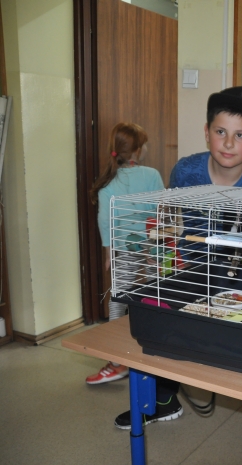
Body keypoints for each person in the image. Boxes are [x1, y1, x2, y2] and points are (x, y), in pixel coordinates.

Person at [115, 87, 242, 464]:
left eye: (240, 135)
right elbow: (173, 219)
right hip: (189, 269)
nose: (229, 143)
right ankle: (163, 400)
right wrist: (167, 250)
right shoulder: (184, 170)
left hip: (235, 276)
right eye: (220, 132)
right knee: (165, 325)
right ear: (206, 132)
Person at [86, 123, 165, 385]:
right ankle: (158, 347)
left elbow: (105, 220)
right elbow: (161, 211)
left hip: (124, 247)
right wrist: (159, 247)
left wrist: (109, 252)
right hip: (151, 246)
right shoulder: (152, 175)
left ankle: (116, 359)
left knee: (118, 297)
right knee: (156, 293)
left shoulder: (108, 183)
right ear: (138, 150)